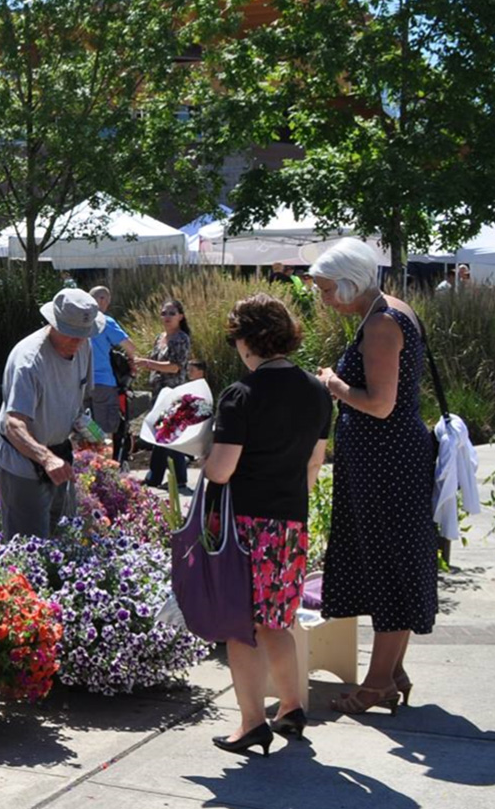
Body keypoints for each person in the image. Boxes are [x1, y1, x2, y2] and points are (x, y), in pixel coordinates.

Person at [311, 238, 438, 715]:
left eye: (326, 290)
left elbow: (380, 404)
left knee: (389, 565)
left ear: (350, 284)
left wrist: (333, 385)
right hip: (390, 459)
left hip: (386, 462)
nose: (323, 299)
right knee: (395, 562)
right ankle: (392, 670)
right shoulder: (389, 310)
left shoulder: (382, 324)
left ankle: (379, 681)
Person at [203, 294, 332, 755]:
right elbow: (314, 465)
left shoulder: (241, 395)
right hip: (291, 521)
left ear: (248, 339)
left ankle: (251, 722)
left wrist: (200, 455)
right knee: (277, 621)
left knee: (242, 628)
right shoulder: (318, 392)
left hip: (246, 525)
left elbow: (221, 470)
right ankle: (293, 707)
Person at [0, 289, 102, 541]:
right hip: (23, 460)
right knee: (29, 545)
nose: (78, 340)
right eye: (71, 333)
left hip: (59, 455)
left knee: (63, 535)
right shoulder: (29, 361)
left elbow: (76, 400)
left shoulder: (84, 347)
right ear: (52, 323)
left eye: (83, 334)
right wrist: (46, 458)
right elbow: (14, 424)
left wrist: (88, 432)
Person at [134, 298, 194, 492]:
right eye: (164, 313)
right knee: (160, 434)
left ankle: (175, 477)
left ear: (181, 316)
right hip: (158, 392)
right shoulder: (160, 337)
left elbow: (175, 366)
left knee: (169, 435)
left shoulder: (181, 338)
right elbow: (153, 361)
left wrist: (147, 364)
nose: (167, 317)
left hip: (173, 392)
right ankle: (156, 476)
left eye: (171, 313)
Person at [85, 286, 136, 454]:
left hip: (80, 383)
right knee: (105, 430)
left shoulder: (78, 320)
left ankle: (87, 466)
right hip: (103, 383)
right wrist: (131, 362)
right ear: (101, 300)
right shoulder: (105, 321)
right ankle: (105, 472)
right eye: (107, 301)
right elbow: (130, 347)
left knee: (85, 426)